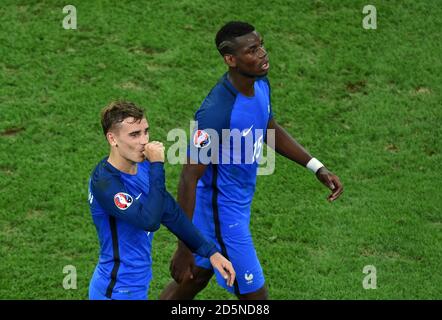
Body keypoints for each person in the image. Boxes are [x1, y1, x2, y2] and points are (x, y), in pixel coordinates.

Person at [160, 21, 343, 300]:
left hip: (232, 208)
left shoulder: (260, 84)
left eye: (262, 45)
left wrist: (315, 167)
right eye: (252, 50)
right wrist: (184, 247)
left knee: (193, 280)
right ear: (230, 59)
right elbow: (188, 176)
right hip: (223, 217)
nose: (263, 54)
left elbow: (267, 126)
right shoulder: (217, 112)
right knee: (257, 300)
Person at [87, 101, 235, 300]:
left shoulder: (143, 167)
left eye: (145, 132)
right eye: (134, 135)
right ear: (112, 139)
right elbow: (148, 220)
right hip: (115, 290)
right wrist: (157, 164)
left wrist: (211, 252)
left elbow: (170, 212)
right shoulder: (104, 183)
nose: (144, 141)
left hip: (136, 286)